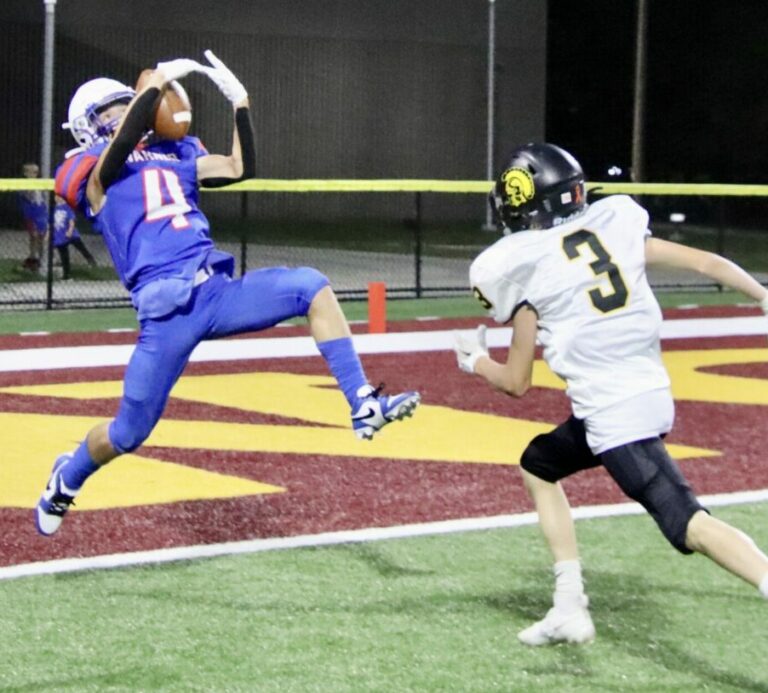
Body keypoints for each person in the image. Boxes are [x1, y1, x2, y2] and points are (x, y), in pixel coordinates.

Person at [35, 51, 420, 536]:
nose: (119, 118)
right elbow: (113, 158)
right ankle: (66, 479)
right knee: (127, 434)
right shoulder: (85, 170)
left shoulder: (175, 154)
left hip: (214, 293)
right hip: (165, 314)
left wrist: (240, 105)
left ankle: (362, 401)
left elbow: (241, 166)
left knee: (311, 286)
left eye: (122, 107)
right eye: (107, 113)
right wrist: (151, 89)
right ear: (85, 128)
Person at [453, 142, 768, 646]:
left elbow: (516, 382)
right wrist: (762, 295)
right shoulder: (614, 225)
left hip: (613, 416)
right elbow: (708, 263)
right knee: (539, 463)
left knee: (688, 523)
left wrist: (473, 361)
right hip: (649, 394)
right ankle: (568, 604)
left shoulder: (524, 265)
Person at [52, 194, 98, 279]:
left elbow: (71, 221)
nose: (56, 198)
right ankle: (66, 274)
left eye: (58, 196)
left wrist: (70, 230)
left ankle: (90, 259)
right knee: (64, 255)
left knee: (80, 247)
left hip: (71, 234)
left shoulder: (67, 207)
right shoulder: (54, 209)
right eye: (55, 196)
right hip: (60, 236)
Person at [17, 162, 48, 273]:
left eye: (36, 172)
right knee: (34, 235)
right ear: (26, 173)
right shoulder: (23, 184)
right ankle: (33, 257)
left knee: (42, 236)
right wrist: (31, 183)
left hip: (40, 212)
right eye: (33, 172)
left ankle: (41, 258)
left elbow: (43, 197)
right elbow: (27, 195)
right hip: (30, 213)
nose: (35, 174)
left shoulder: (39, 183)